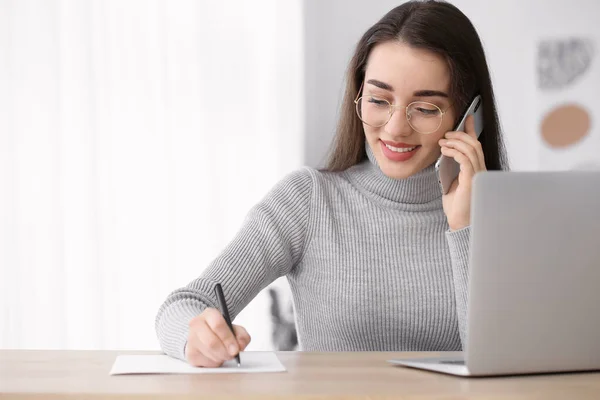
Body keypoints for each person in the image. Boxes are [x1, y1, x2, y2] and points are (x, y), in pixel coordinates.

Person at [155, 0, 509, 367]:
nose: (395, 128)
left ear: (470, 116)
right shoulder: (309, 200)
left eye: (424, 108)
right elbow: (182, 307)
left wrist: (466, 226)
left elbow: (501, 364)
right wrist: (196, 337)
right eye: (378, 99)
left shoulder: (506, 214)